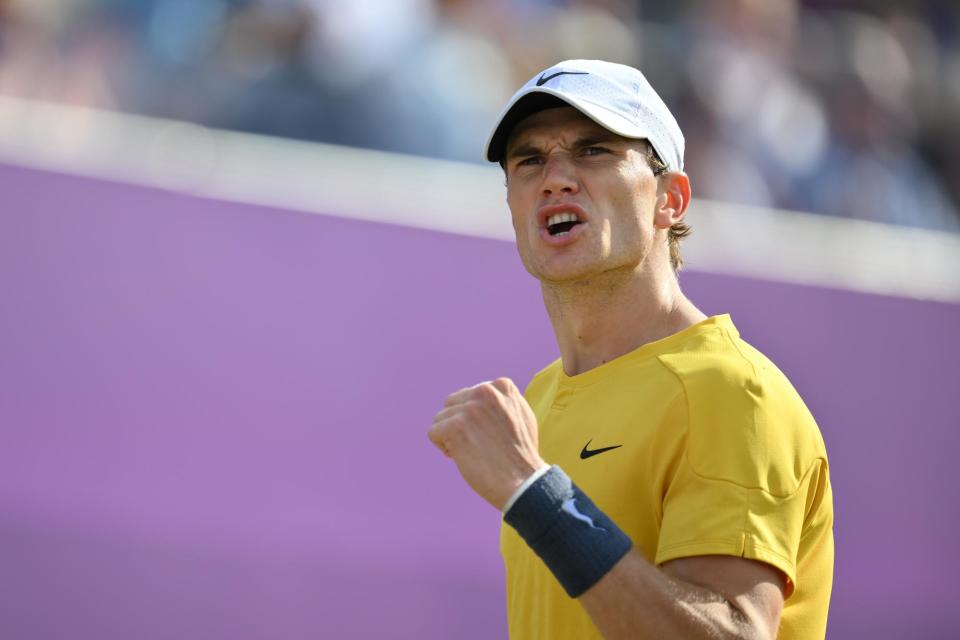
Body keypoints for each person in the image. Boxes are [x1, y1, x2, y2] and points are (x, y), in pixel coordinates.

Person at [428, 59, 833, 640]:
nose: (556, 177)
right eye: (530, 159)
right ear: (513, 205)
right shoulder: (540, 399)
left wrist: (533, 491)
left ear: (672, 199)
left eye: (593, 150)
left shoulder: (730, 390)